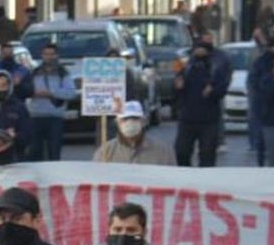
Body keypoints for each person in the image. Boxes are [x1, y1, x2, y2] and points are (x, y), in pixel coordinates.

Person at [173, 37, 229, 167]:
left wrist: (212, 91)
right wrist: (178, 87)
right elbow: (176, 91)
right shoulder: (186, 67)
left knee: (207, 155)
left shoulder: (215, 69)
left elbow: (222, 89)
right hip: (187, 117)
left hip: (208, 119)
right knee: (182, 152)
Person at [27, 42, 75, 161]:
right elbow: (25, 91)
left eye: (52, 54)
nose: (49, 57)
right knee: (35, 153)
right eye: (46, 54)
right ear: (42, 55)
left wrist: (51, 93)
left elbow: (71, 93)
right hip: (35, 117)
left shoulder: (63, 73)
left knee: (54, 152)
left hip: (55, 117)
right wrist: (32, 93)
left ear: (57, 55)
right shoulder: (34, 72)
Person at [93, 101, 173, 165]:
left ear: (143, 122)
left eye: (134, 118)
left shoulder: (163, 152)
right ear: (117, 123)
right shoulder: (105, 152)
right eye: (125, 119)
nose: (130, 122)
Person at [246, 34, 274, 166]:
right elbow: (255, 83)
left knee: (265, 139)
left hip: (265, 105)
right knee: (264, 139)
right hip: (264, 105)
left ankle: (263, 162)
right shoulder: (263, 62)